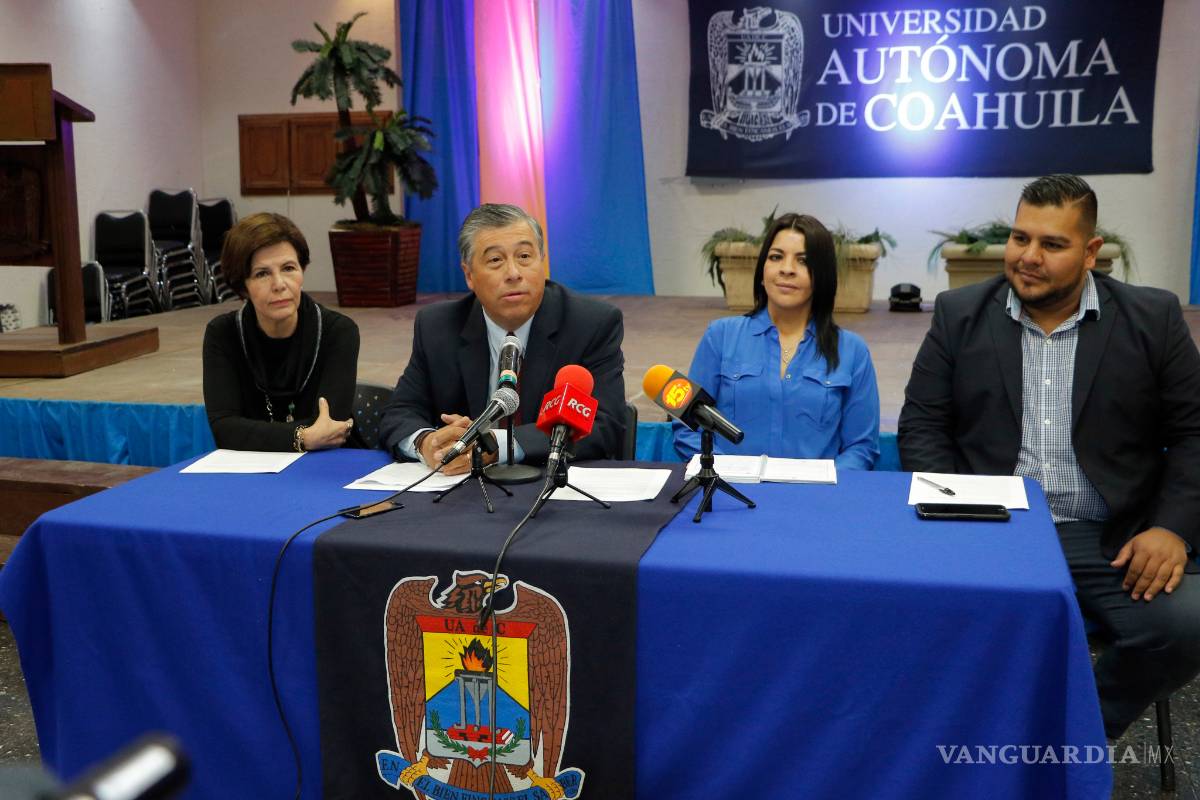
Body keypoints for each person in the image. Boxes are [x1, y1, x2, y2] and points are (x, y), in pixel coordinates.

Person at [898, 174, 1200, 738]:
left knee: (1187, 622)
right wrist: (960, 508)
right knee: (907, 616)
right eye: (1019, 238)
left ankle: (1063, 736)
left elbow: (1194, 434)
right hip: (991, 525)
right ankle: (938, 745)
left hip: (1112, 536)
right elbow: (922, 426)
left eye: (1052, 245)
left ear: (1091, 252)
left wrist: (1171, 530)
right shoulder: (960, 314)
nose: (1028, 257)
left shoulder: (1152, 319)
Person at [378, 203, 625, 475]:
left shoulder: (590, 324)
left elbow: (605, 424)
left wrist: (498, 446)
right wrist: (428, 442)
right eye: (495, 260)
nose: (513, 273)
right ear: (469, 275)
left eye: (524, 256)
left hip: (548, 489)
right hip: (461, 493)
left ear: (542, 261)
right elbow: (399, 412)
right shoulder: (438, 326)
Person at [672, 213, 880, 469]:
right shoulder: (720, 336)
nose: (787, 269)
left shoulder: (852, 351)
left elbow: (861, 447)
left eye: (803, 261)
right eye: (776, 257)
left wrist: (821, 487)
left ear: (823, 275)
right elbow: (686, 426)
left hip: (816, 501)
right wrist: (729, 474)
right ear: (762, 271)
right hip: (732, 494)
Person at [202, 212, 359, 452]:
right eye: (262, 273)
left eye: (288, 268)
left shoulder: (338, 332)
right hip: (253, 472)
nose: (279, 284)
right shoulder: (222, 334)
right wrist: (302, 437)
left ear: (302, 272)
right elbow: (224, 429)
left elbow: (330, 428)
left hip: (329, 468)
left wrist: (254, 434)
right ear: (242, 285)